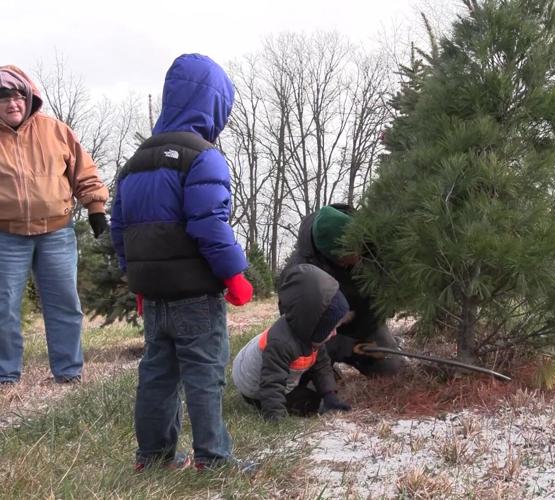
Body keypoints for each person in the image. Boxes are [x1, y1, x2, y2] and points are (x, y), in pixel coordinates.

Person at [110, 54, 254, 472]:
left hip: (154, 294)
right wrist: (234, 274)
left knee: (157, 374)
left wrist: (135, 279)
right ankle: (214, 458)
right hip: (196, 293)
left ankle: (152, 457)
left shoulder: (135, 162)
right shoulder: (202, 156)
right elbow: (209, 223)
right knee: (204, 374)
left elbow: (120, 228)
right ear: (213, 106)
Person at [0, 65, 109, 385]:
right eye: (3, 98)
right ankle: (5, 374)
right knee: (4, 307)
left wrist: (96, 208)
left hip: (56, 233)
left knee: (64, 303)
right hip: (7, 236)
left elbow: (83, 171)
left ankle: (68, 372)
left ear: (29, 97)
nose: (12, 103)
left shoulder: (56, 131)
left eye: (18, 96)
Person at [285, 204, 406, 377]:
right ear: (329, 255)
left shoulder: (370, 235)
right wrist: (347, 347)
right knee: (312, 384)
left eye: (358, 251)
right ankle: (324, 372)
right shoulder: (299, 272)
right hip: (324, 337)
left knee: (392, 369)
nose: (357, 259)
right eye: (347, 258)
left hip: (366, 324)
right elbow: (298, 329)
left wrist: (387, 302)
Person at [233, 264, 352, 421]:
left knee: (321, 381)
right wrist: (276, 418)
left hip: (280, 371)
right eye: (331, 329)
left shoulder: (311, 335)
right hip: (255, 385)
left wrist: (329, 395)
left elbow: (321, 365)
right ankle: (259, 404)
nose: (335, 333)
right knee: (308, 403)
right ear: (316, 326)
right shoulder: (281, 343)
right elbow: (272, 384)